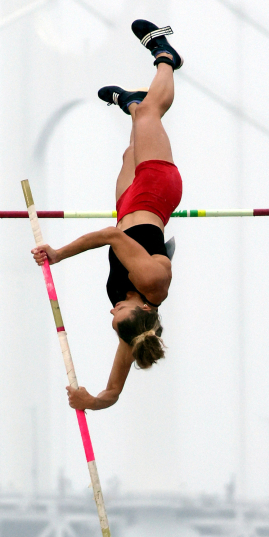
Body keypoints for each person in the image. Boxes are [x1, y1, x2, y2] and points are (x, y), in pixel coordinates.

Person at [31, 20, 183, 410]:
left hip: (128, 206)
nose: (112, 310)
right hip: (155, 191)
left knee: (127, 153)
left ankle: (131, 100)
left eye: (114, 318)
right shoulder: (151, 284)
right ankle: (165, 57)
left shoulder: (132, 330)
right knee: (150, 115)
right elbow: (113, 239)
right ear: (145, 309)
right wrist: (59, 255)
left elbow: (112, 394)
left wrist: (87, 401)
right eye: (119, 312)